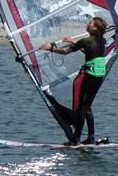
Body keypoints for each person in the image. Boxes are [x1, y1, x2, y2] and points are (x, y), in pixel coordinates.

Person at [39, 17, 110, 145]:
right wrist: (74, 41)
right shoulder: (102, 40)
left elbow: (65, 52)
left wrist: (50, 48)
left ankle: (76, 139)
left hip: (90, 75)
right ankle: (91, 137)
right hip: (99, 75)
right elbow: (89, 49)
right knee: (87, 106)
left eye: (90, 23)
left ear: (94, 28)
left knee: (82, 108)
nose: (87, 24)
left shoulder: (85, 41)